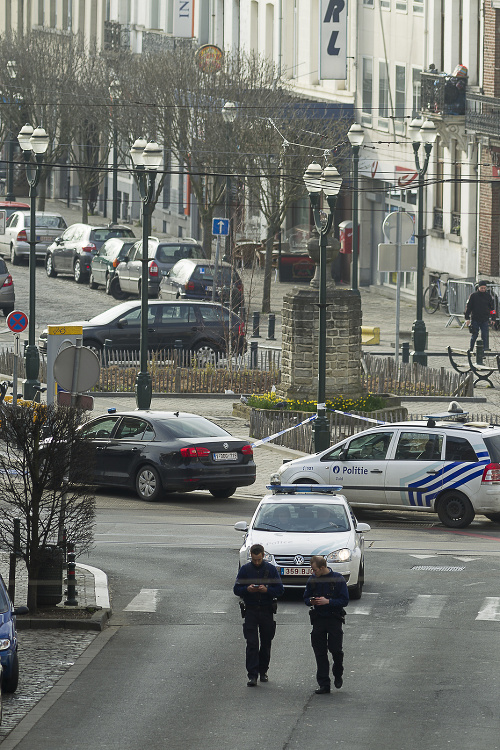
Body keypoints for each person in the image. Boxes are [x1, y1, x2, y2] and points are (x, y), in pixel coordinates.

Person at [233, 543, 284, 687]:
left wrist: (266, 590)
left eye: (259, 560)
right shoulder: (245, 570)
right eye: (254, 560)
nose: (256, 562)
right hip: (251, 610)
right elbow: (236, 589)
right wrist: (247, 589)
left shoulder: (270, 569)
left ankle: (263, 671)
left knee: (266, 642)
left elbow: (280, 590)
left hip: (266, 610)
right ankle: (252, 675)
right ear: (251, 556)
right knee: (252, 643)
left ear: (263, 556)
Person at [303, 555, 349, 694]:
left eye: (315, 570)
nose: (313, 572)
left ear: (323, 568)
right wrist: (311, 601)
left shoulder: (338, 579)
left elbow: (344, 600)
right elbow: (305, 597)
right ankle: (324, 684)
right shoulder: (312, 580)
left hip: (334, 618)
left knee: (336, 650)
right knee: (320, 652)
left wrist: (328, 602)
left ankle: (338, 672)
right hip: (319, 619)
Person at [465, 281, 495, 352]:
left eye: (484, 288)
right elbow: (469, 308)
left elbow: (492, 309)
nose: (483, 289)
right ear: (478, 287)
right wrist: (467, 318)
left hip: (485, 319)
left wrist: (493, 318)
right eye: (481, 288)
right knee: (474, 335)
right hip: (475, 318)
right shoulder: (473, 296)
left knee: (484, 336)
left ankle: (483, 351)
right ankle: (471, 349)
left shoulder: (488, 296)